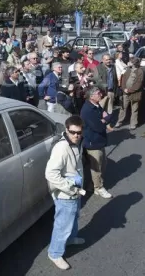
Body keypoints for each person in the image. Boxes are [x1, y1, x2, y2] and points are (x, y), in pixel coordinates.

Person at [45, 115, 85, 270]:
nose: (76, 135)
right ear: (66, 130)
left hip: (75, 190)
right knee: (63, 224)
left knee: (74, 217)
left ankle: (70, 239)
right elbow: (50, 174)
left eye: (79, 132)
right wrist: (70, 188)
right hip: (66, 193)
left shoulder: (76, 142)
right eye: (73, 132)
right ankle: (54, 253)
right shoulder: (61, 148)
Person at [80, 86, 113, 199]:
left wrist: (104, 119)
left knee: (103, 164)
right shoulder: (88, 110)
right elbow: (98, 127)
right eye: (98, 93)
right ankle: (98, 188)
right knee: (97, 167)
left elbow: (107, 116)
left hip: (100, 141)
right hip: (92, 143)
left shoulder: (96, 105)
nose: (101, 95)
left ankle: (93, 185)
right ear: (91, 96)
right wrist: (104, 120)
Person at [115, 57, 145, 130]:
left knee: (134, 109)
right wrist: (124, 88)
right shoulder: (128, 70)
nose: (129, 63)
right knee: (123, 107)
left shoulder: (140, 71)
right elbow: (123, 80)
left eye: (130, 62)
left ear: (134, 63)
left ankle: (133, 123)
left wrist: (130, 90)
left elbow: (139, 84)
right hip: (125, 93)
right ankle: (119, 121)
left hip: (135, 93)